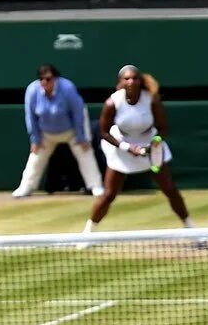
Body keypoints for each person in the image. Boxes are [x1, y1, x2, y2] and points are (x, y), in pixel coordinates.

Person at [88, 65, 192, 236]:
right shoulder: (112, 103)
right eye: (127, 78)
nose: (131, 81)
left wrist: (153, 145)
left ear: (140, 81)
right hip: (121, 145)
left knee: (170, 190)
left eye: (135, 78)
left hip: (149, 143)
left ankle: (191, 230)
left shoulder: (151, 100)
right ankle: (87, 234)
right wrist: (127, 148)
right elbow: (104, 132)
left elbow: (163, 129)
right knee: (109, 195)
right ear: (120, 82)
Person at [14, 64, 104, 199]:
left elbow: (78, 113)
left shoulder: (67, 88)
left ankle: (95, 186)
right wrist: (35, 139)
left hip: (72, 130)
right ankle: (26, 187)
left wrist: (81, 136)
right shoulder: (32, 90)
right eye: (41, 79)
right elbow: (30, 116)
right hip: (46, 133)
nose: (44, 82)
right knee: (35, 158)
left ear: (55, 79)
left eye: (48, 79)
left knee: (85, 153)